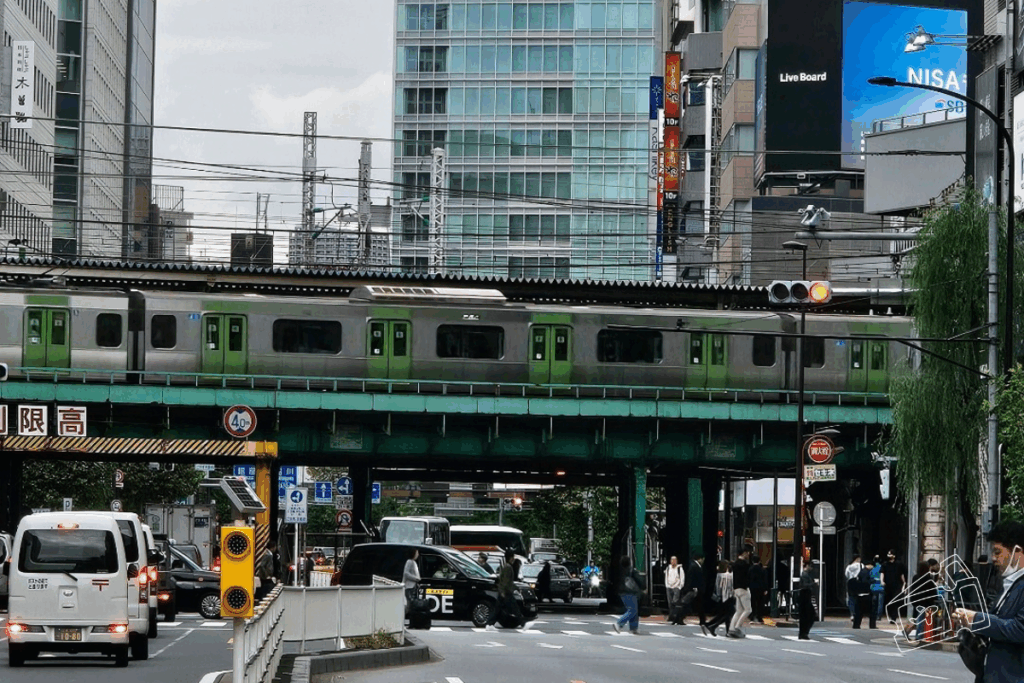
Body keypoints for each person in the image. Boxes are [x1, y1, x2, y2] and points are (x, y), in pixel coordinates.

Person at [954, 520, 1024, 683]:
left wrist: (977, 619)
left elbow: (1019, 629)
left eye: (998, 552)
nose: (993, 558)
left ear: (1017, 551)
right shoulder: (1011, 583)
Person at [487, 549, 530, 631]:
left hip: (504, 592)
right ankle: (523, 624)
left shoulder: (506, 566)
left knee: (498, 609)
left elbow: (504, 580)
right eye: (513, 557)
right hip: (506, 592)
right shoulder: (508, 567)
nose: (514, 559)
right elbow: (505, 581)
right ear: (510, 558)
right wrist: (503, 591)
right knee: (515, 609)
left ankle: (490, 624)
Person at [613, 556, 645, 634]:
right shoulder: (631, 571)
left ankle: (634, 628)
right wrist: (643, 587)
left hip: (622, 592)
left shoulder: (619, 571)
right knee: (632, 610)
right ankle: (619, 623)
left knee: (633, 610)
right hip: (630, 592)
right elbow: (639, 580)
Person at [908, 560, 938, 642]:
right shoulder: (927, 578)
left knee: (916, 618)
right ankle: (919, 635)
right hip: (923, 601)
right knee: (920, 619)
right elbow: (932, 590)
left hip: (915, 600)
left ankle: (907, 631)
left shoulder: (915, 577)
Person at [704, 560, 735, 637]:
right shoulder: (729, 576)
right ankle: (713, 626)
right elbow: (731, 586)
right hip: (728, 596)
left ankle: (711, 625)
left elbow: (718, 587)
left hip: (721, 597)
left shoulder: (719, 575)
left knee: (725, 614)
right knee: (729, 614)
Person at [728, 547, 752, 638]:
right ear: (744, 553)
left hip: (736, 588)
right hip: (743, 588)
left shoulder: (735, 564)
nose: (748, 554)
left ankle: (731, 628)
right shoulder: (745, 564)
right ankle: (737, 626)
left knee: (739, 611)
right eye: (747, 552)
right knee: (748, 609)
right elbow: (747, 577)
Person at [881, 550, 908, 623]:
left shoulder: (899, 564)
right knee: (888, 601)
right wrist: (882, 581)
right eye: (888, 554)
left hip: (897, 585)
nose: (889, 555)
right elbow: (882, 573)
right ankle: (891, 615)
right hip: (888, 585)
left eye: (890, 554)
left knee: (895, 601)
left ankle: (893, 617)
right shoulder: (885, 564)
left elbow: (902, 574)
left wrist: (904, 583)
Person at [681, 550, 706, 626]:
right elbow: (691, 578)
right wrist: (694, 587)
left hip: (696, 589)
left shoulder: (695, 565)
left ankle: (702, 620)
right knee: (688, 604)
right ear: (700, 559)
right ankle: (679, 618)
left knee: (697, 605)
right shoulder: (694, 566)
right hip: (694, 589)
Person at [852, 558, 877, 629]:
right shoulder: (867, 572)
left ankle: (856, 625)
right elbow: (866, 582)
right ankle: (872, 625)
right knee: (872, 612)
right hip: (866, 594)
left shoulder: (862, 571)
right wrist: (872, 581)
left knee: (859, 612)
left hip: (859, 594)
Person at [797, 562, 817, 640]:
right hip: (804, 596)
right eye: (810, 566)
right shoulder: (805, 575)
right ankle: (804, 633)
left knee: (805, 616)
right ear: (806, 566)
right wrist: (813, 583)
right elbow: (805, 585)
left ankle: (803, 633)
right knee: (808, 615)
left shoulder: (806, 574)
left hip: (804, 596)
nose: (811, 568)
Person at [749, 555, 767, 624]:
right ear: (759, 561)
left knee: (753, 602)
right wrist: (765, 589)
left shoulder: (750, 569)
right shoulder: (762, 570)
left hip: (752, 588)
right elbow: (765, 580)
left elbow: (748, 579)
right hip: (761, 588)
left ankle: (753, 616)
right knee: (760, 603)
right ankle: (759, 617)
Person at [845, 554, 863, 621]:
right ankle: (857, 613)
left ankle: (852, 614)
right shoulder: (861, 565)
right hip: (858, 582)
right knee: (858, 598)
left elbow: (846, 575)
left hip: (850, 583)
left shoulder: (849, 567)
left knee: (851, 598)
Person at [870, 555, 886, 621]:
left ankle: (873, 613)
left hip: (873, 587)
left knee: (874, 602)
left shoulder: (872, 569)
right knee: (880, 603)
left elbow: (870, 576)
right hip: (881, 587)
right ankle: (879, 616)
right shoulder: (882, 568)